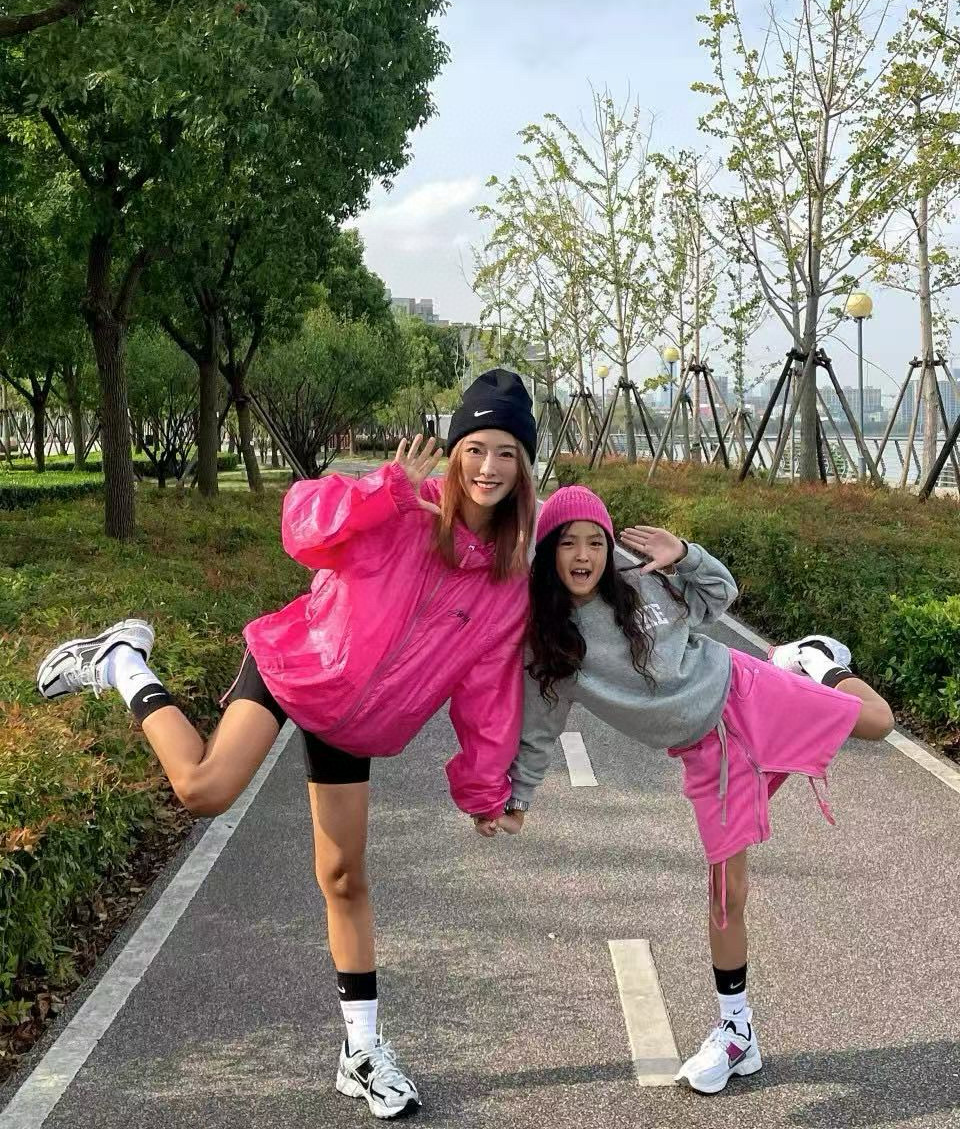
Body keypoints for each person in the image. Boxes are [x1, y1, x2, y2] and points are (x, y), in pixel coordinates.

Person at [35, 368, 537, 1121]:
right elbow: (303, 526)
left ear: (524, 467)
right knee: (204, 789)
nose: (488, 467)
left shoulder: (505, 582)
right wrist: (382, 489)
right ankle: (122, 664)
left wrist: (484, 789)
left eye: (506, 453)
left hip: (354, 723)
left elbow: (489, 694)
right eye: (475, 448)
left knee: (344, 878)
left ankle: (361, 1051)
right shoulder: (402, 507)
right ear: (455, 450)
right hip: (299, 664)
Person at [506, 484, 894, 1096]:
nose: (583, 555)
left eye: (595, 542)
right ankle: (738, 1031)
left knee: (878, 723)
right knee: (726, 891)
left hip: (743, 689)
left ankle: (817, 659)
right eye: (568, 543)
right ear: (549, 551)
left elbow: (719, 596)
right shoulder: (554, 640)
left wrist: (685, 553)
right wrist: (518, 797)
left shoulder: (642, 584)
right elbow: (540, 727)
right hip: (708, 755)